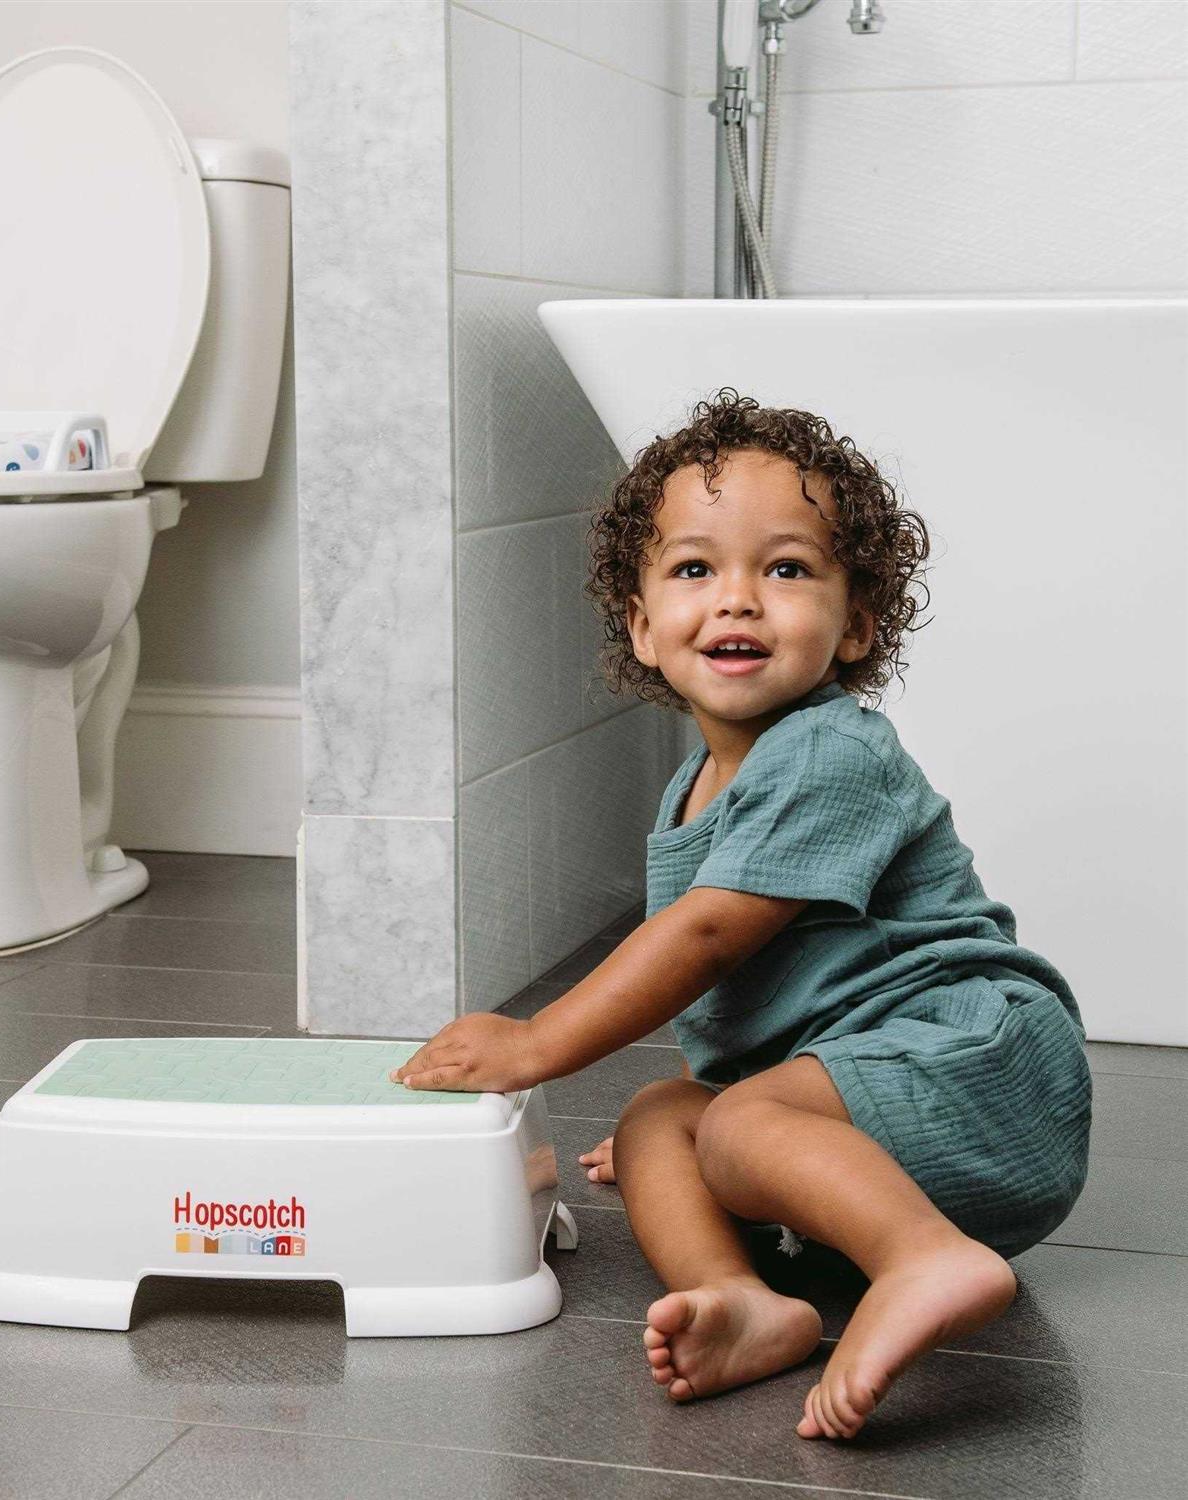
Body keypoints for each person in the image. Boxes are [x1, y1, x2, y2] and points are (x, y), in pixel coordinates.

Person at [391, 389, 1092, 1441]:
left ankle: (924, 1257)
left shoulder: (829, 750)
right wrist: (698, 1129)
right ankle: (742, 1298)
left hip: (977, 1070)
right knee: (660, 1119)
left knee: (734, 1125)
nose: (738, 601)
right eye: (693, 570)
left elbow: (708, 938)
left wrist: (539, 1042)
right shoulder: (696, 790)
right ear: (641, 626)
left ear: (857, 625)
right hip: (873, 1103)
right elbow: (753, 996)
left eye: (787, 569)